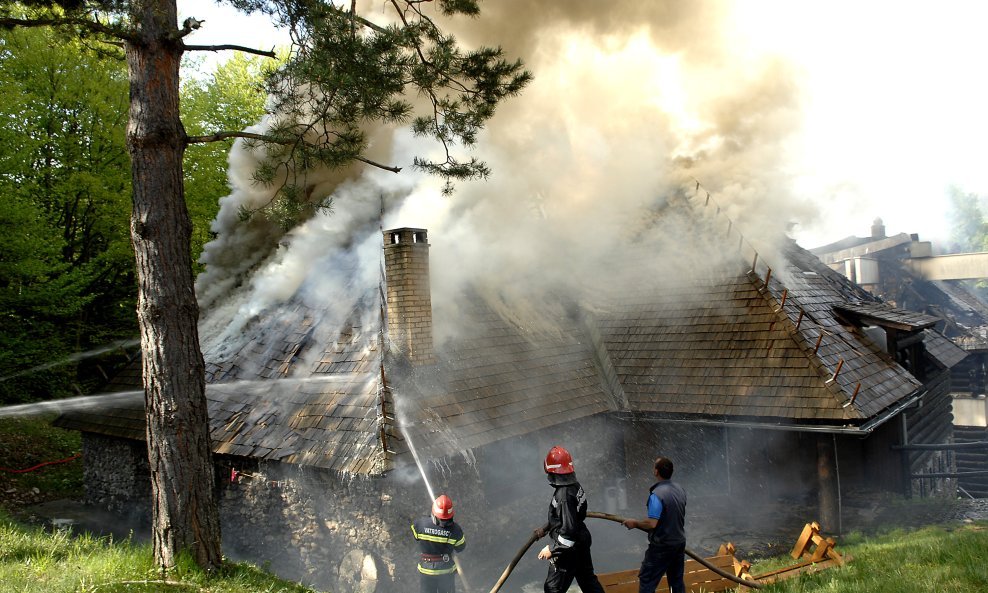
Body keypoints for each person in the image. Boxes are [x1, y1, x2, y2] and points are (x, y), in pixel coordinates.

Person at [534, 445, 605, 593]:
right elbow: (573, 516)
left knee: (553, 589)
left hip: (568, 549)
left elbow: (569, 531)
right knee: (589, 583)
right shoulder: (574, 486)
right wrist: (546, 529)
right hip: (581, 540)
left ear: (551, 472)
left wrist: (552, 549)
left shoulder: (563, 496)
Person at [622, 456, 687, 593]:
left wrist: (634, 523)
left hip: (662, 545)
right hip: (679, 542)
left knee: (647, 579)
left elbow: (652, 524)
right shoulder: (680, 489)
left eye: (654, 467)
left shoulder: (657, 495)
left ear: (656, 471)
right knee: (676, 582)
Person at [411, 494, 466, 593]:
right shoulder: (456, 530)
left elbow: (416, 536)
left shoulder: (420, 524)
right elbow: (461, 548)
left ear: (433, 513)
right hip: (446, 572)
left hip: (426, 570)